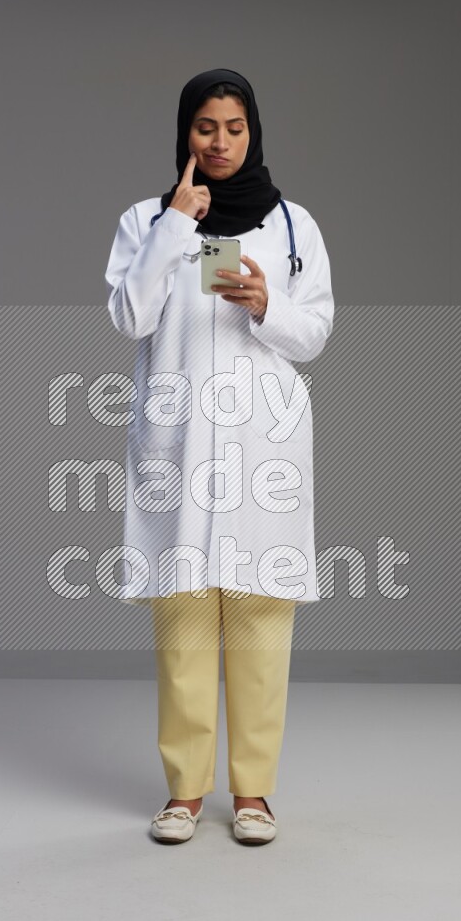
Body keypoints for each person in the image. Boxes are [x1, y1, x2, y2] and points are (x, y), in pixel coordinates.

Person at [104, 68, 334, 845]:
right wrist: (176, 227)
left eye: (235, 127)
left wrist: (270, 307)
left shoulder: (292, 224)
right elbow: (130, 316)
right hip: (180, 445)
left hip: (262, 444)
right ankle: (183, 793)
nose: (222, 142)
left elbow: (317, 334)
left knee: (262, 621)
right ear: (185, 133)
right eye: (207, 127)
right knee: (185, 623)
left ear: (254, 130)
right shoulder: (145, 219)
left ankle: (254, 794)